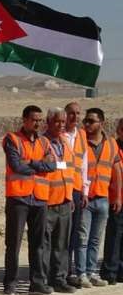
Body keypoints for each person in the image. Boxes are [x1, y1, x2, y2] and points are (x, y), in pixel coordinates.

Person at [2, 105, 56, 295]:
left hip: (40, 198)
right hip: (19, 197)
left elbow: (52, 166)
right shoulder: (12, 139)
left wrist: (31, 163)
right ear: (24, 120)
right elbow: (16, 166)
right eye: (34, 120)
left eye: (40, 120)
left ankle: (37, 282)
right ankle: (10, 283)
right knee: (14, 243)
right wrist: (40, 164)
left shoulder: (44, 142)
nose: (38, 123)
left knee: (38, 243)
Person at [71, 108, 122, 288]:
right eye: (85, 120)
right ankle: (81, 273)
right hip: (86, 197)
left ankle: (92, 272)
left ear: (101, 122)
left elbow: (116, 171)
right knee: (82, 238)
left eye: (91, 121)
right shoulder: (81, 140)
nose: (86, 124)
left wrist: (117, 197)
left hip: (103, 197)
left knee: (95, 239)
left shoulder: (111, 144)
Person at [42, 108, 77, 293]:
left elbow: (69, 170)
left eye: (63, 122)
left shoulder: (65, 143)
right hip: (47, 200)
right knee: (46, 243)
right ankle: (45, 278)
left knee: (62, 244)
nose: (61, 125)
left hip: (64, 199)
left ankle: (60, 278)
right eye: (57, 121)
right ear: (48, 122)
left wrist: (70, 196)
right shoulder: (43, 142)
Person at [63, 101, 89, 284]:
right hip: (62, 189)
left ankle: (68, 270)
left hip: (78, 189)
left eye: (78, 113)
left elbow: (84, 164)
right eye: (71, 113)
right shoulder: (58, 135)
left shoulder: (81, 135)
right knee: (61, 234)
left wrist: (85, 190)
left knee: (73, 234)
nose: (75, 117)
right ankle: (59, 271)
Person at [101, 118, 123, 284]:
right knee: (115, 234)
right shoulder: (114, 147)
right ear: (118, 130)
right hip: (117, 197)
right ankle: (110, 271)